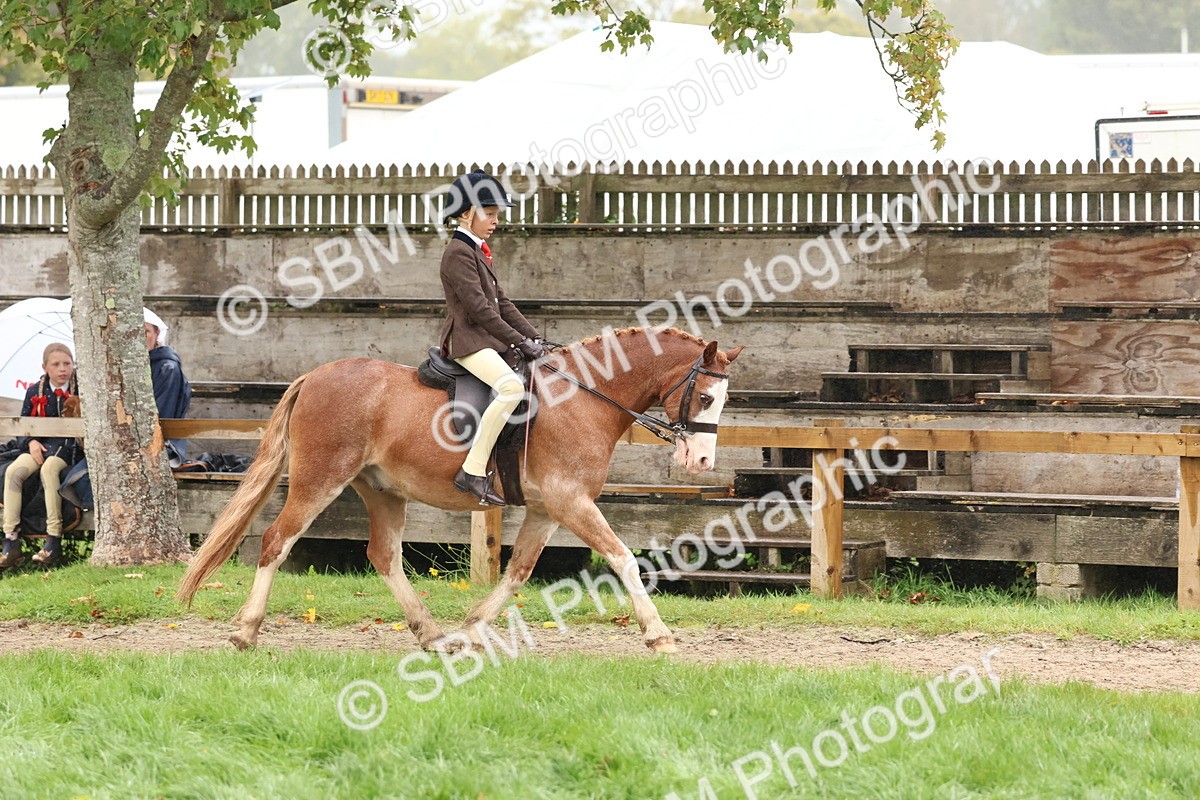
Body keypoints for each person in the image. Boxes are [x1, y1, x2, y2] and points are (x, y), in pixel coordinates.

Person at [438, 170, 544, 506]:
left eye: (498, 215)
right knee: (511, 389)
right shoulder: (457, 252)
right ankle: (472, 470)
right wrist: (518, 342)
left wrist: (534, 337)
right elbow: (481, 311)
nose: (496, 221)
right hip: (468, 342)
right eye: (491, 213)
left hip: (486, 340)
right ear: (467, 212)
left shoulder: (477, 251)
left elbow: (504, 304)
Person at [58, 309, 192, 510]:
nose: (140, 336)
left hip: (159, 444)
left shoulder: (167, 368)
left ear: (156, 336)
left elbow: (161, 416)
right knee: (83, 475)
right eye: (135, 331)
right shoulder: (133, 367)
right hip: (130, 437)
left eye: (146, 331)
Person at [0, 343, 82, 569]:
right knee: (15, 471)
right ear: (45, 367)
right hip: (40, 445)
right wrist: (31, 442)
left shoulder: (79, 390)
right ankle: (10, 539)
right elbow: (24, 425)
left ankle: (53, 538)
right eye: (56, 364)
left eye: (67, 363)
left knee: (49, 470)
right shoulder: (35, 391)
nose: (62, 369)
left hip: (68, 447)